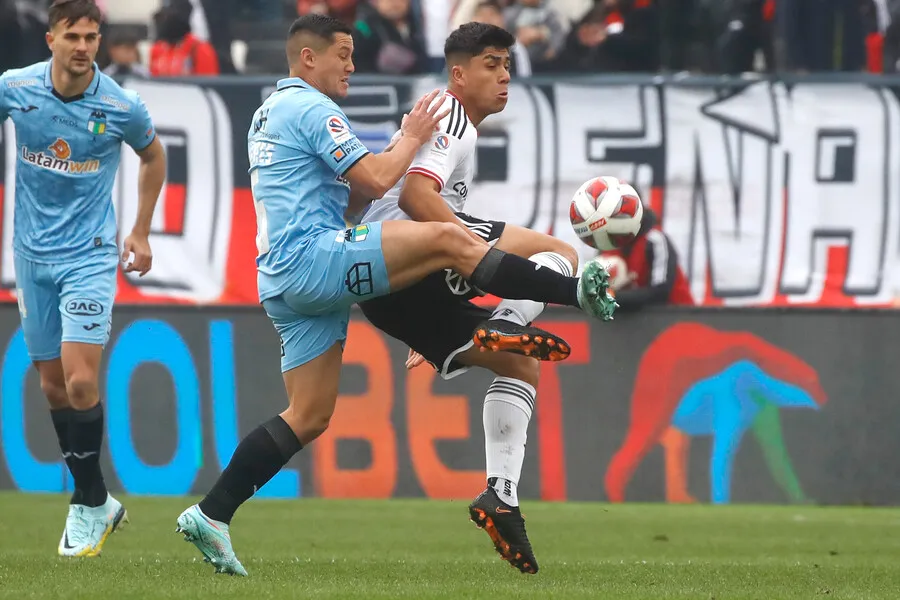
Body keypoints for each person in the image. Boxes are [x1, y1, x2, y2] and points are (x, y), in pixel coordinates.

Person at [175, 13, 616, 577]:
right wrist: (409, 133)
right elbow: (389, 185)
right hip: (314, 258)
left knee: (309, 414)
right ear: (309, 58)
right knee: (449, 238)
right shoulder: (311, 107)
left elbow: (352, 200)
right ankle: (569, 292)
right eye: (343, 54)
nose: (352, 66)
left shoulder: (270, 111)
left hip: (283, 280)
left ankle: (212, 515)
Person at [359, 22, 578, 575]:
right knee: (559, 255)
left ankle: (500, 496)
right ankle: (502, 320)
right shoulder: (451, 115)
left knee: (520, 363)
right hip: (407, 255)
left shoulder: (439, 113)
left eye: (507, 64)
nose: (504, 76)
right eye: (491, 64)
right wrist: (462, 256)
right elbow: (413, 195)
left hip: (387, 291)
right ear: (459, 73)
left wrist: (428, 309)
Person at [0, 0, 166, 557]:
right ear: (50, 39)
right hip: (30, 256)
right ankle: (96, 499)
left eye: (92, 37)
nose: (84, 47)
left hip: (89, 255)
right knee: (50, 385)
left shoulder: (120, 105)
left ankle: (86, 504)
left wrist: (141, 231)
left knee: (78, 381)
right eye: (73, 35)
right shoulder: (16, 88)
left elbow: (154, 156)